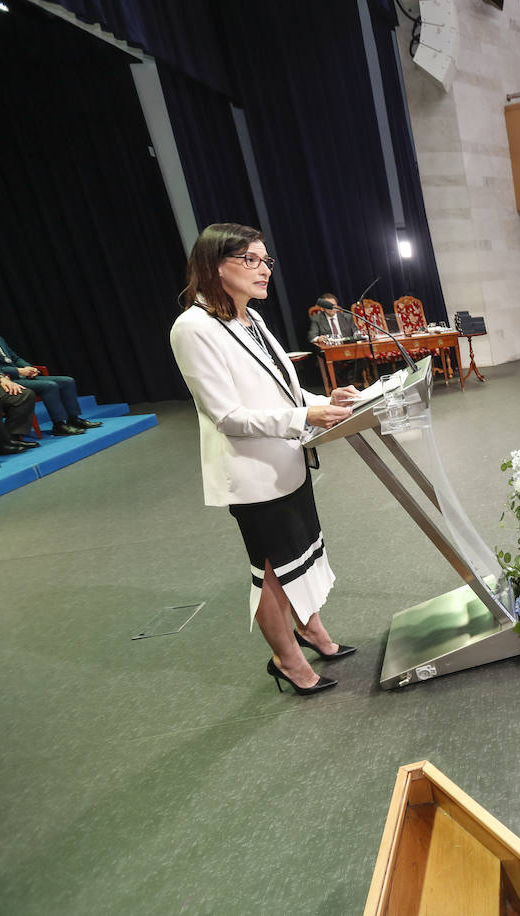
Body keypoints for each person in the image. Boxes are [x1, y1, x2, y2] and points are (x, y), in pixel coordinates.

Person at [169, 223, 358, 696]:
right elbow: (228, 417)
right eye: (251, 260)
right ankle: (287, 660)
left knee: (302, 556)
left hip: (286, 459)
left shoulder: (250, 318)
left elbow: (281, 388)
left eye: (266, 260)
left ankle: (312, 631)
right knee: (272, 572)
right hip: (251, 473)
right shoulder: (193, 328)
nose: (264, 270)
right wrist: (306, 415)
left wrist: (323, 399)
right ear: (215, 265)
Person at [0, 305, 100, 437]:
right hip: (4, 381)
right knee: (49, 386)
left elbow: (14, 358)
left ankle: (74, 419)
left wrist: (29, 368)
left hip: (20, 375)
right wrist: (18, 371)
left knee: (67, 381)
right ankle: (59, 425)